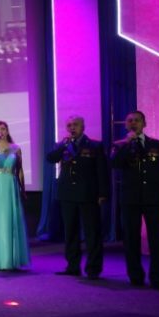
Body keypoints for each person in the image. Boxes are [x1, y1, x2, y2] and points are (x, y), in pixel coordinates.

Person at [110, 111, 159, 289]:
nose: (133, 123)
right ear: (126, 125)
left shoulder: (157, 145)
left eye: (137, 120)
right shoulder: (119, 145)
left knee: (156, 239)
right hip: (130, 200)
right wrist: (128, 143)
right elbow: (115, 164)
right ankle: (135, 276)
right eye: (130, 121)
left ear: (144, 123)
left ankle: (158, 278)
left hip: (153, 198)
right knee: (131, 239)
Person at [46, 115, 108, 278]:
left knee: (92, 233)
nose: (72, 127)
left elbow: (102, 171)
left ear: (83, 127)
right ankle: (73, 266)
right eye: (69, 125)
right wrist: (63, 146)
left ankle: (93, 268)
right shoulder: (63, 145)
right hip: (67, 194)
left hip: (88, 194)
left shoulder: (94, 145)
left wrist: (103, 193)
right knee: (70, 232)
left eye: (75, 125)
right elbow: (50, 158)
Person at [0, 121, 31, 271]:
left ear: (7, 131)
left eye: (3, 129)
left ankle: (11, 258)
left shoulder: (16, 148)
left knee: (10, 219)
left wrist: (23, 189)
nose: (0, 131)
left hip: (10, 185)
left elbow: (20, 170)